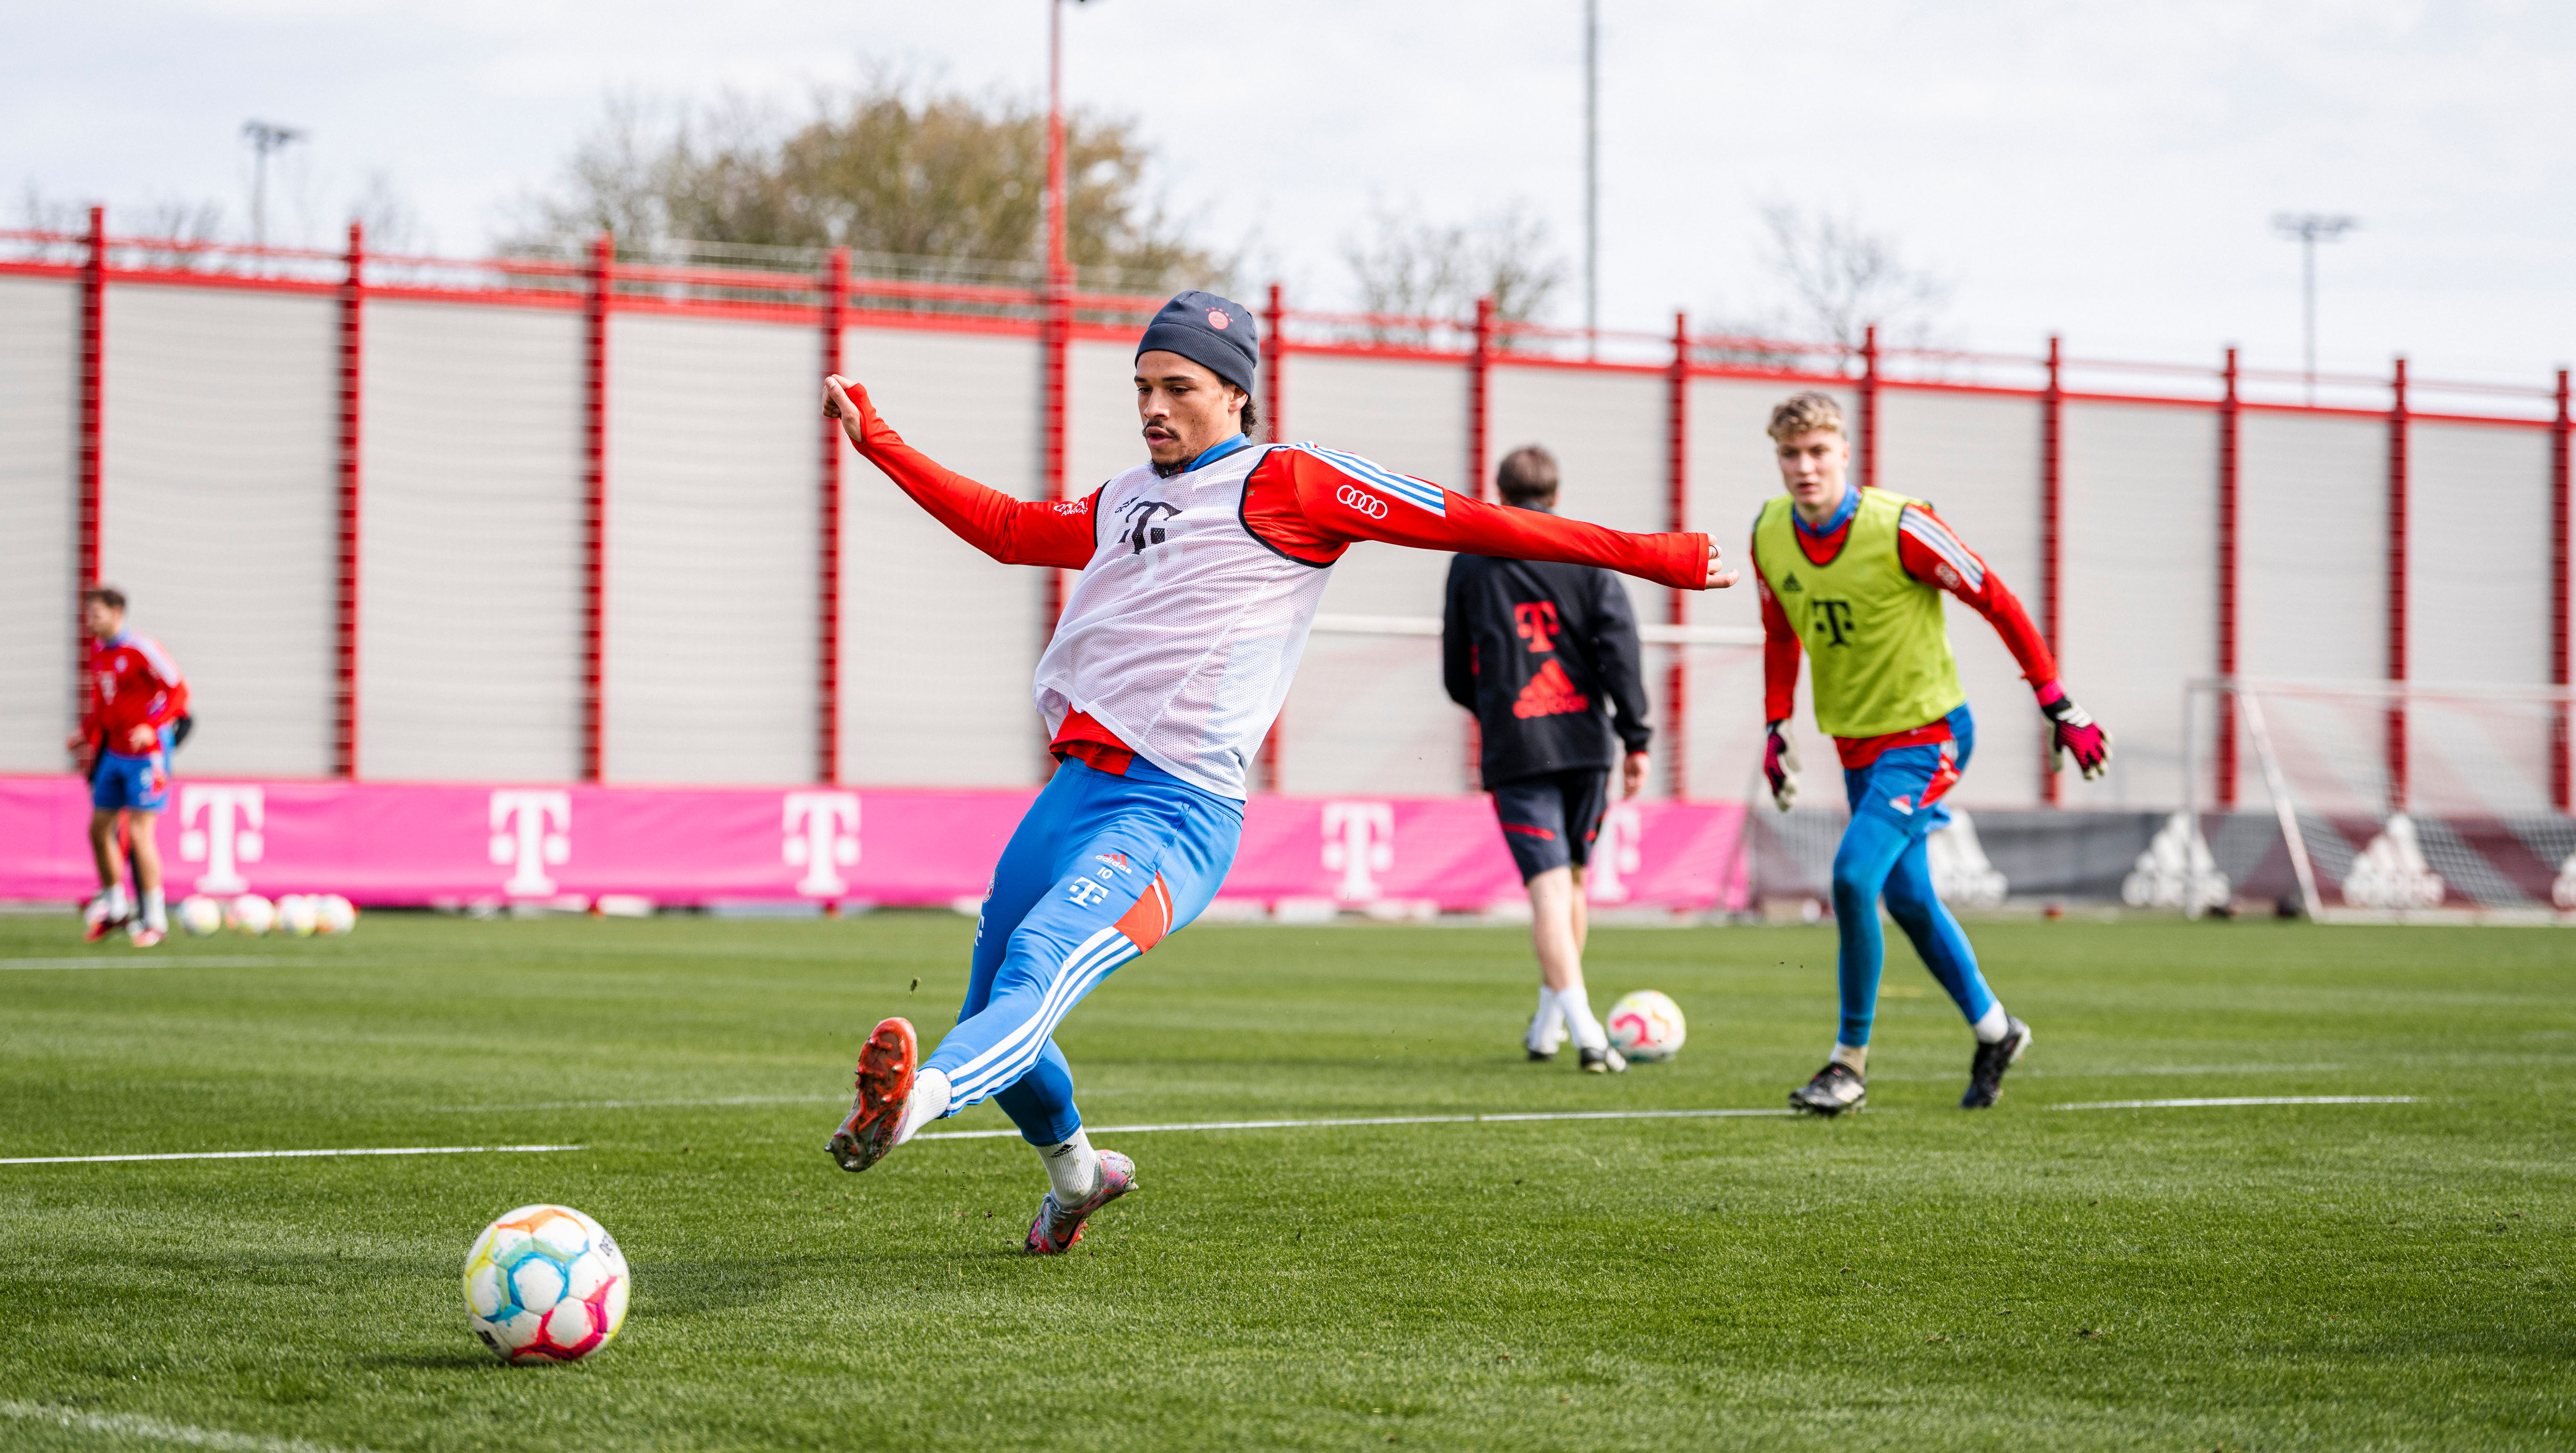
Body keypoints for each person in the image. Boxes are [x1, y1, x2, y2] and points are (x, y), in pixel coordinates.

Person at [819, 290, 1737, 1253]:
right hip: (1074, 794)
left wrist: (1652, 556)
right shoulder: (1130, 494)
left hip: (1174, 813)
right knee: (1000, 1025)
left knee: (1037, 971)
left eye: (1178, 387)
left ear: (1236, 394)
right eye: (1142, 387)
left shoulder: (1292, 482)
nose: (1153, 406)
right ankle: (1081, 1179)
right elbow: (1009, 529)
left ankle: (905, 1110)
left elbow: (1470, 521)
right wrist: (877, 437)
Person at [1749, 392, 2111, 1115]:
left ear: (1845, 453)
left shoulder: (1903, 526)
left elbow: (1997, 598)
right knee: (1907, 897)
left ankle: (1847, 1063)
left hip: (1929, 735)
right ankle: (1996, 1029)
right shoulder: (1768, 532)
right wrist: (1775, 726)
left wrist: (2058, 701)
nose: (1804, 467)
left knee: (1853, 878)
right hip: (1857, 743)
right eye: (1791, 454)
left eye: (1818, 451)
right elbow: (1782, 633)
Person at [1442, 444, 1652, 1073]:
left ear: (1498, 493)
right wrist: (1635, 736)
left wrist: (1492, 711)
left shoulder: (1470, 563)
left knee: (1551, 890)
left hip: (1519, 745)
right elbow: (1622, 648)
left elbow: (1455, 666)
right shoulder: (1586, 554)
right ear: (1556, 497)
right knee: (1573, 884)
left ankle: (1578, 1025)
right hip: (1587, 743)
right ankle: (1559, 1022)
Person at [72, 586, 189, 948]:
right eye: (89, 614)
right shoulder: (99, 655)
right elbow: (106, 707)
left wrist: (151, 726)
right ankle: (117, 906)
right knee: (98, 829)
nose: (91, 620)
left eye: (97, 613)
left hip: (147, 755)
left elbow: (180, 692)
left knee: (140, 834)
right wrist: (86, 734)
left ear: (117, 612)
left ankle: (154, 918)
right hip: (114, 754)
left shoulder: (142, 648)